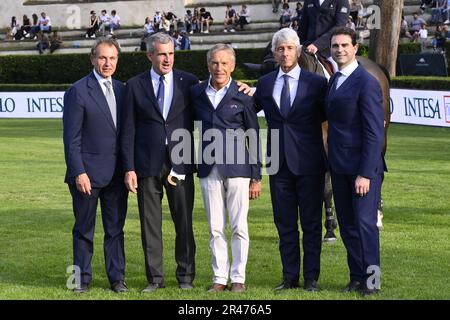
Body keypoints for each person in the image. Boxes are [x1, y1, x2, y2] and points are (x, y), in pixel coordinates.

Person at [120, 32, 198, 292]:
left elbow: (213, 102)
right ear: (150, 55)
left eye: (171, 53)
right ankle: (155, 278)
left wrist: (242, 87)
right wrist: (129, 167)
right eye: (162, 54)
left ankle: (185, 276)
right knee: (150, 224)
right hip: (146, 164)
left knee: (184, 221)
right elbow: (128, 129)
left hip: (181, 162)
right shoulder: (134, 84)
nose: (167, 59)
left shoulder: (189, 82)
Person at [254, 28, 327, 292]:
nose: (285, 53)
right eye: (280, 49)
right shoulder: (264, 85)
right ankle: (289, 277)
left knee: (311, 224)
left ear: (298, 51)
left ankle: (311, 279)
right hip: (277, 164)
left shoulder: (317, 84)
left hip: (310, 164)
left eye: (289, 48)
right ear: (274, 53)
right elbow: (246, 113)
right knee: (284, 224)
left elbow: (333, 116)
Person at [191, 43, 261, 293]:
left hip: (239, 169)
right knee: (215, 227)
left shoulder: (243, 95)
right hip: (208, 169)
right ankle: (219, 277)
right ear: (208, 64)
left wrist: (256, 176)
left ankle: (238, 278)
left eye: (224, 63)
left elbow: (253, 135)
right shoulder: (196, 93)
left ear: (232, 66)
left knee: (239, 226)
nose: (219, 67)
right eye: (214, 62)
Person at [63, 38, 129, 294]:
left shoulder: (123, 89)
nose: (107, 63)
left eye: (112, 58)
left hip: (116, 176)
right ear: (92, 59)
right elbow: (71, 138)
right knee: (83, 230)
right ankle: (79, 280)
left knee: (115, 230)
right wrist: (79, 171)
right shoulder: (78, 90)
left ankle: (117, 279)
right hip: (86, 176)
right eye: (102, 58)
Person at [326, 27, 385, 296]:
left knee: (365, 225)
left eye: (344, 45)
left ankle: (372, 281)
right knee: (348, 225)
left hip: (363, 170)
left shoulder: (366, 82)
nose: (339, 50)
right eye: (335, 46)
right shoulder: (334, 80)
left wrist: (365, 173)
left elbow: (374, 133)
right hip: (338, 167)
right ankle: (356, 277)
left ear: (355, 48)